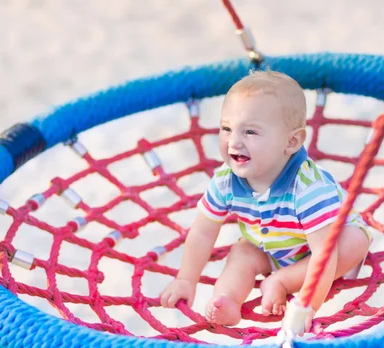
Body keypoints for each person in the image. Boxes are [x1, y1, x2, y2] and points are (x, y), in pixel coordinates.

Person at [159, 70, 371, 331]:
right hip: (269, 245)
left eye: (250, 132)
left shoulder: (308, 188)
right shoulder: (226, 180)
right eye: (226, 128)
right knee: (242, 252)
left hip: (323, 244)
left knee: (355, 241)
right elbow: (202, 232)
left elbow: (324, 255)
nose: (234, 141)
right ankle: (227, 300)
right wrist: (186, 279)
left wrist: (307, 306)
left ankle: (281, 281)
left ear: (291, 141)